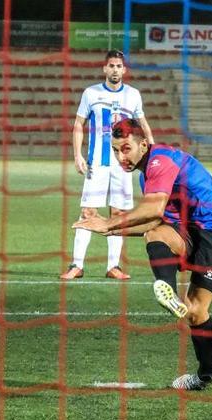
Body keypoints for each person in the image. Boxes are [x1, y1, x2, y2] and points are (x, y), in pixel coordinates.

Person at [73, 119, 212, 391]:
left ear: (143, 144)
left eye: (126, 149)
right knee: (155, 235)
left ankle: (205, 374)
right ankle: (169, 292)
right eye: (116, 150)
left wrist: (110, 223)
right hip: (192, 231)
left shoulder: (159, 161)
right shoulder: (147, 173)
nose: (121, 157)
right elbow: (156, 223)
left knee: (197, 311)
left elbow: (153, 210)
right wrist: (110, 230)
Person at [60, 49, 155, 280]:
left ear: (124, 70)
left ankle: (114, 267)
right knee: (88, 211)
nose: (114, 70)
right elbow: (78, 125)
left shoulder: (133, 95)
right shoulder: (91, 93)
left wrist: (152, 151)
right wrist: (77, 155)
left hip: (123, 165)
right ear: (105, 68)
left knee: (119, 213)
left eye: (118, 66)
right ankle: (77, 265)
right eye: (111, 66)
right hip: (97, 164)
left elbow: (143, 126)